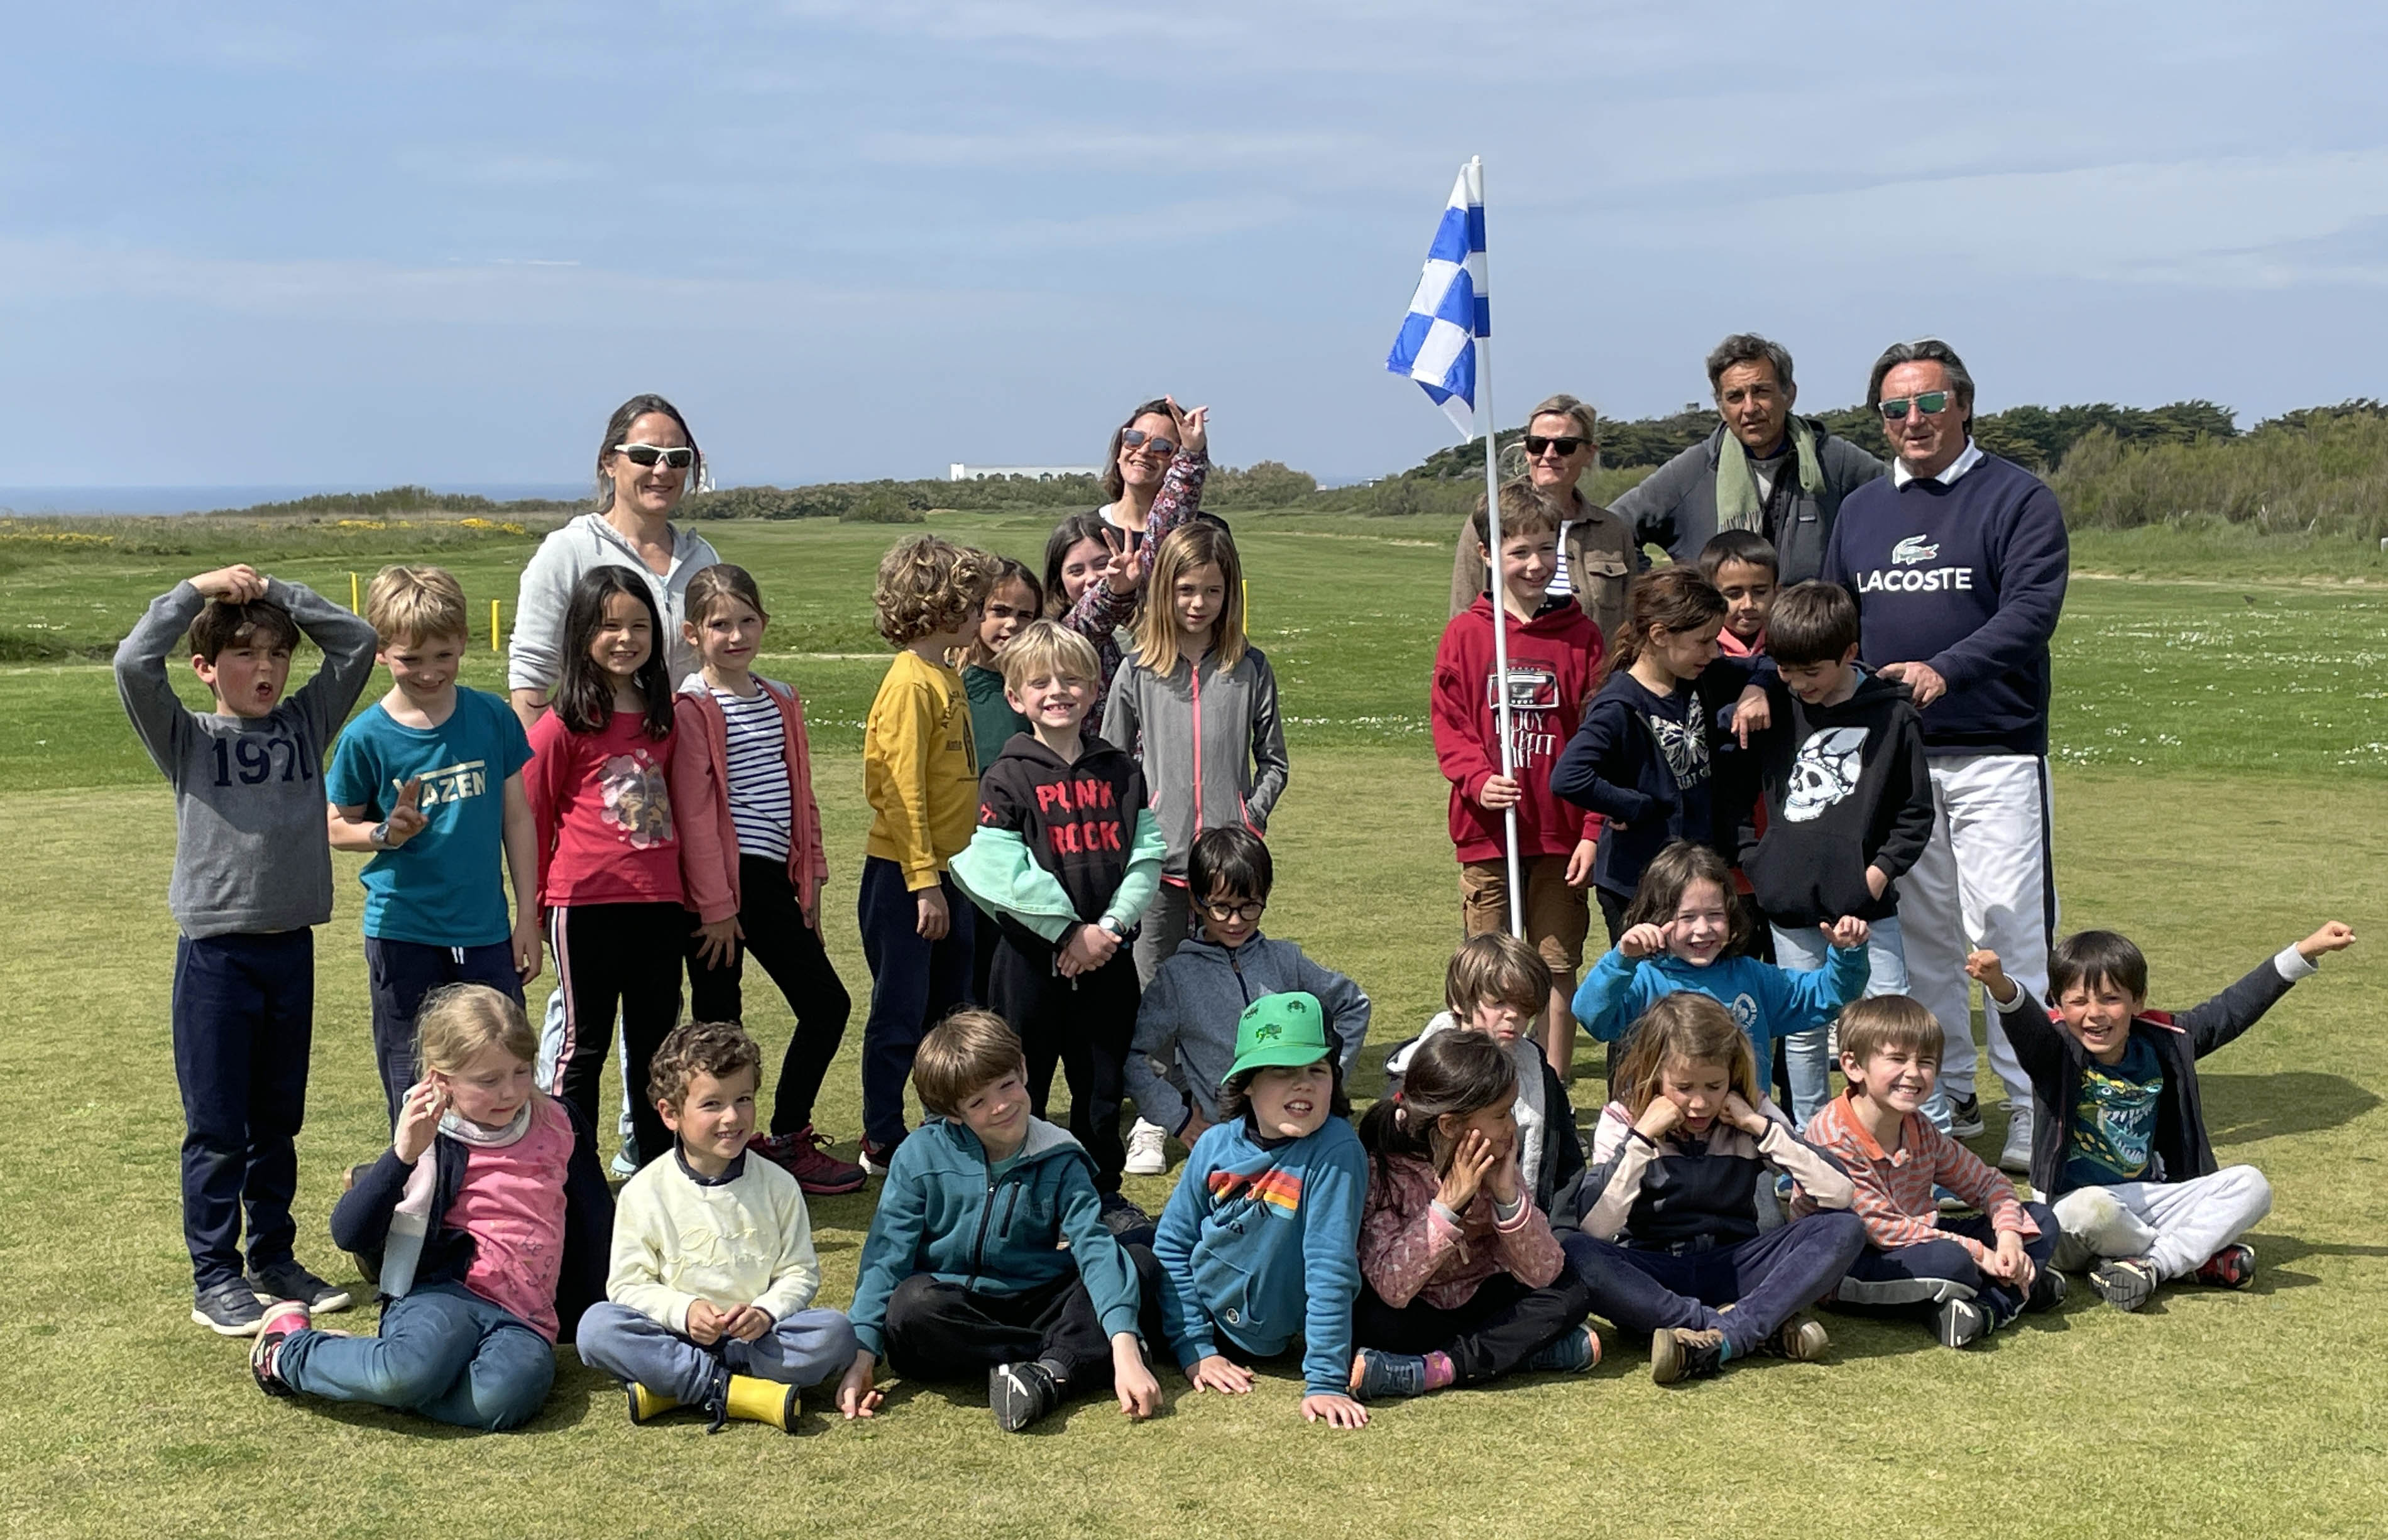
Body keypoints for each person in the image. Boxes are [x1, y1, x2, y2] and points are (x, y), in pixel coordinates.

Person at [1821, 338, 2071, 1172]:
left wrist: (1946, 667)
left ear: (1963, 402)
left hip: (1995, 750)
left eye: (1929, 403)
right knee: (1923, 937)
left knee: (2005, 930)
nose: (1914, 421)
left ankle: (2037, 1103)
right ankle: (1945, 1094)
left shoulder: (2017, 497)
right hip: (1901, 757)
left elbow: (2032, 611)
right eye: (1896, 409)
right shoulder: (1861, 510)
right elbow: (1836, 620)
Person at [115, 562, 378, 1333]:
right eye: (243, 655)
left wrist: (275, 595)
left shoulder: (304, 723)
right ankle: (214, 1275)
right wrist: (199, 592)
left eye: (275, 655)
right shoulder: (186, 737)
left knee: (277, 1121)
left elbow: (358, 641)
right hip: (216, 957)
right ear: (204, 669)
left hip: (288, 947)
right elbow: (133, 661)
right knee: (217, 1125)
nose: (264, 670)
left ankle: (272, 1256)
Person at [508, 394, 720, 1174]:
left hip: (658, 864)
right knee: (581, 1032)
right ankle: (558, 1169)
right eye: (645, 455)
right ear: (609, 463)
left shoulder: (700, 557)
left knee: (657, 1034)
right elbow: (532, 691)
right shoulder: (568, 553)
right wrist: (537, 891)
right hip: (586, 873)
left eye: (677, 458)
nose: (661, 470)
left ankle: (651, 1161)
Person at [247, 985, 613, 1429]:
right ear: (443, 1080)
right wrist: (402, 1155)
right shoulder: (431, 1134)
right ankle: (289, 1351)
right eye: (488, 1079)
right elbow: (348, 1232)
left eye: (521, 1071)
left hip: (525, 1315)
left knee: (503, 1399)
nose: (511, 1091)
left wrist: (605, 1309)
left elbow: (598, 1222)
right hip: (442, 1292)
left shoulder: (559, 1121)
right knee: (411, 1372)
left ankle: (367, 1367)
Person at [1970, 921, 2355, 1310]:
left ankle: (2154, 1264)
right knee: (2093, 1212)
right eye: (2078, 1001)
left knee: (2252, 1186)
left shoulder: (2166, 1041)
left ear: (2138, 1001)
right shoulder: (2055, 1051)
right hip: (2071, 1210)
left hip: (2148, 1197)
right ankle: (2192, 1258)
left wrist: (2304, 951)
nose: (2094, 1014)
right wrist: (2000, 985)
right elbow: (2026, 1028)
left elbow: (2230, 1011)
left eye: (2110, 999)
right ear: (2058, 1004)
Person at [835, 1009, 1164, 1434]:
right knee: (911, 1305)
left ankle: (1047, 1373)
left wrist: (1123, 1348)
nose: (1002, 1105)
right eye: (978, 1101)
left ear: (1023, 1068)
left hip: (1036, 1298)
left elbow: (1093, 1246)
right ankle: (1065, 1357)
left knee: (1136, 1261)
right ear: (952, 1112)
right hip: (953, 1305)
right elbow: (886, 1257)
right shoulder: (919, 1156)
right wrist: (862, 1354)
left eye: (1007, 1084)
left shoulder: (1060, 1155)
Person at [950, 621, 1167, 1236]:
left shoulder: (1120, 770)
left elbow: (1146, 854)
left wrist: (1109, 929)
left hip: (1107, 961)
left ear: (1094, 689)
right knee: (1022, 1082)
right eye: (1039, 682)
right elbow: (995, 868)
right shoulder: (1008, 774)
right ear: (1016, 697)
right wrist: (1067, 932)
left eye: (1071, 679)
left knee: (1100, 1087)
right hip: (1028, 965)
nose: (1057, 691)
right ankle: (1021, 1196)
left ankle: (1100, 1193)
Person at [668, 565, 863, 1197]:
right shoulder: (691, 706)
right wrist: (717, 907)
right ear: (692, 633)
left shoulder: (779, 697)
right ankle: (715, 1152)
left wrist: (812, 874)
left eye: (746, 621)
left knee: (823, 1005)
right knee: (718, 1024)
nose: (735, 635)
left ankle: (785, 1137)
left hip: (774, 878)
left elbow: (799, 793)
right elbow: (696, 816)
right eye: (719, 625)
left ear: (764, 624)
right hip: (720, 887)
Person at [1557, 993, 1866, 1384]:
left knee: (1844, 1226)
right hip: (1656, 1272)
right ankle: (1741, 1327)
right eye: (1684, 1087)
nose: (1700, 1103)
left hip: (1736, 1264)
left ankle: (1722, 1334)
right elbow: (1596, 1229)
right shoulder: (1623, 1119)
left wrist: (1758, 1127)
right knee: (1573, 1249)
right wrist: (1641, 1140)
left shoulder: (1753, 1112)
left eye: (1714, 1085)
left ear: (1732, 1076)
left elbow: (1839, 1193)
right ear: (1655, 1076)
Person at [327, 565, 541, 1127]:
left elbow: (517, 818)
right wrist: (385, 833)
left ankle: (502, 1193)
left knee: (504, 1067)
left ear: (464, 642)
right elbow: (332, 824)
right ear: (380, 652)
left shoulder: (492, 716)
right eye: (410, 659)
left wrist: (528, 916)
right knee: (415, 1077)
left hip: (486, 930)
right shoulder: (366, 737)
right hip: (403, 931)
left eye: (443, 655)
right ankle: (418, 1196)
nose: (429, 673)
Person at [575, 1020, 858, 1433]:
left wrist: (765, 1311)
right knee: (597, 1327)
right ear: (670, 1113)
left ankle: (675, 1387)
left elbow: (799, 1272)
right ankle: (739, 1393)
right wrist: (684, 1310)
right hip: (676, 1337)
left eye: (743, 1099)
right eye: (712, 1104)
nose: (732, 1116)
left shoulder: (778, 1184)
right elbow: (627, 1285)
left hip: (759, 1341)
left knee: (835, 1332)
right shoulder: (643, 1191)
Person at [1732, 581, 1935, 1127]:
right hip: (1789, 904)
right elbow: (1734, 796)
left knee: (1891, 1022)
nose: (1798, 685)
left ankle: (1909, 1139)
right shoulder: (1772, 703)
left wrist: (1873, 877)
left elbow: (1915, 815)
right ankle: (1810, 1143)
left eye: (1811, 673)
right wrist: (1759, 861)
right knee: (1801, 1033)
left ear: (1849, 653)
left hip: (1866, 908)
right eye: (1785, 670)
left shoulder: (1894, 718)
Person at [1431, 482, 1605, 1077]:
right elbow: (1449, 725)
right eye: (1518, 551)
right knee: (1491, 967)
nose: (1535, 565)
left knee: (1557, 962)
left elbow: (1598, 738)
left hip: (1560, 836)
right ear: (1487, 554)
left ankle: (1552, 1088)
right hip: (1488, 834)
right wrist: (1477, 779)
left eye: (1544, 550)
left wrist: (1591, 828)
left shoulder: (1582, 637)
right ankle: (1489, 1078)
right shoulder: (1467, 634)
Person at [523, 567, 685, 1172]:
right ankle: (573, 1172)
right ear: (583, 633)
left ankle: (655, 1167)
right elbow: (532, 819)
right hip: (585, 903)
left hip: (660, 904)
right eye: (610, 625)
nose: (625, 638)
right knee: (582, 1043)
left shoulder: (663, 715)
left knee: (655, 1047)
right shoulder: (560, 723)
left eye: (639, 625)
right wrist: (533, 907)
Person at [1151, 992, 1371, 1429]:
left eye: (1317, 1070)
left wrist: (1326, 1380)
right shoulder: (1214, 1145)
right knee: (1124, 1266)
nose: (1303, 1083)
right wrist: (1195, 1347)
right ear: (1247, 1081)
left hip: (1266, 1336)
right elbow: (1172, 1245)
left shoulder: (1336, 1149)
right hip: (1188, 1312)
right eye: (1282, 1071)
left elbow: (1330, 1265)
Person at [1794, 996, 2062, 1348]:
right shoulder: (1831, 1135)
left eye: (1925, 1062)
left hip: (1920, 1237)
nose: (1913, 1073)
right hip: (1848, 1265)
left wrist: (2010, 1237)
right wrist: (1983, 1254)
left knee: (2039, 1220)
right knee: (1955, 1262)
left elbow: (1988, 1183)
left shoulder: (1919, 1127)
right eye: (1896, 1059)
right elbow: (1884, 1229)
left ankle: (1983, 1308)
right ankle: (2010, 1293)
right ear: (1853, 1065)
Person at [1347, 1030, 1600, 1401]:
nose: (1511, 1128)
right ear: (1450, 1125)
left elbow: (1543, 1272)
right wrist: (1446, 1207)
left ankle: (1436, 1369)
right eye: (1501, 1115)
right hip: (1417, 1310)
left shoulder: (1495, 1160)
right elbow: (1392, 1289)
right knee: (1367, 1319)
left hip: (1483, 1298)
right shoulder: (1385, 1168)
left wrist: (1507, 1196)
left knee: (1571, 1294)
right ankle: (1521, 1352)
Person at [856, 535, 1001, 1172]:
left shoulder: (946, 673)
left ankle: (944, 1120)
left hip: (953, 874)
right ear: (941, 604)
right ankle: (882, 1137)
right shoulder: (910, 682)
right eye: (973, 601)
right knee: (900, 1011)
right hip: (908, 878)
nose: (981, 613)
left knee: (954, 1009)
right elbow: (897, 786)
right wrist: (922, 881)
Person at [1103, 522, 1289, 982]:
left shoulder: (1250, 667)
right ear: (1165, 589)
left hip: (1231, 864)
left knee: (1230, 980)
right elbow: (1111, 762)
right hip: (1158, 863)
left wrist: (1250, 817)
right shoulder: (1138, 670)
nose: (1198, 603)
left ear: (1230, 593)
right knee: (1155, 987)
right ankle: (1158, 1061)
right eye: (1186, 589)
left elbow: (1274, 760)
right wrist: (1141, 825)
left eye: (1212, 590)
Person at [1122, 827, 1370, 1171]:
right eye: (1222, 908)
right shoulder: (1177, 978)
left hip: (1301, 1132)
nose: (1236, 921)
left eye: (1249, 907)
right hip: (1229, 1144)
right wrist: (1176, 1117)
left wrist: (1328, 1077)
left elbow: (1354, 1005)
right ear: (1196, 900)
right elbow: (1130, 1053)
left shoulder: (1286, 961)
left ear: (1265, 896)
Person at [1550, 567, 1745, 946]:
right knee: (1649, 997)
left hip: (1694, 880)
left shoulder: (1699, 676)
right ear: (1659, 635)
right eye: (1703, 641)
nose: (1714, 652)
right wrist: (1633, 807)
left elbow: (1767, 667)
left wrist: (1756, 691)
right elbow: (1569, 777)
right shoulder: (1619, 705)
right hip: (1637, 884)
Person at [1573, 841, 1870, 1080]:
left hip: (1742, 1138)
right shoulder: (1643, 981)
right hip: (1665, 1142)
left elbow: (1828, 995)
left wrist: (1847, 956)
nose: (1703, 930)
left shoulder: (1752, 978)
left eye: (1715, 915)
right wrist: (1621, 960)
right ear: (1656, 917)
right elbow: (1592, 1017)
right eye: (1687, 918)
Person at [1609, 333, 1885, 585]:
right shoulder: (1693, 470)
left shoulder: (1834, 460)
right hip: (1715, 636)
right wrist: (1669, 596)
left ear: (1789, 394)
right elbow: (1610, 529)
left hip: (1810, 635)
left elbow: (1901, 503)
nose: (1750, 408)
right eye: (1735, 397)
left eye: (1761, 391)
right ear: (1720, 406)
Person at [1046, 399, 1214, 740]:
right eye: (1135, 439)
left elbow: (1167, 532)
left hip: (1172, 709)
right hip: (1090, 729)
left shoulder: (1199, 534)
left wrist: (1193, 457)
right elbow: (1063, 626)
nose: (1144, 452)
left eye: (1164, 446)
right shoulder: (1085, 530)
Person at [1381, 934, 1584, 1215]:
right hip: (1430, 1230)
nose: (1513, 1016)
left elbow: (1566, 1165)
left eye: (1525, 1007)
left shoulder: (1539, 1073)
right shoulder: (1422, 1074)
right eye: (1499, 1002)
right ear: (1460, 1002)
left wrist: (1560, 1231)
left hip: (1524, 1229)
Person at [1449, 393, 1636, 642]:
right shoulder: (1492, 517)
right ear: (1527, 452)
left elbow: (1632, 623)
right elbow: (1463, 615)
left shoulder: (1613, 531)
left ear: (1589, 453)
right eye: (1538, 444)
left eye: (1565, 446)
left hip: (1596, 677)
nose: (1549, 454)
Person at [961, 557, 1041, 1004]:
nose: (1012, 624)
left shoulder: (1041, 693)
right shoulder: (957, 688)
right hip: (969, 864)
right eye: (1000, 611)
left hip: (1026, 869)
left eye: (1025, 614)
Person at [1697, 530, 1778, 660]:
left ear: (1776, 591)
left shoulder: (1787, 642)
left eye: (1760, 592)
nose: (1748, 605)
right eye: (1734, 595)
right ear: (1708, 595)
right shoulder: (1700, 651)